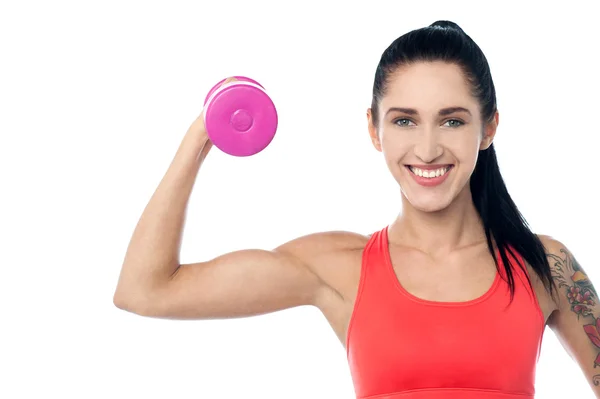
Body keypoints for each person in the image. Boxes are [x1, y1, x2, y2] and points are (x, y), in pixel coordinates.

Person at [113, 20, 600, 398]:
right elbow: (145, 290)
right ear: (374, 129)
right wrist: (206, 130)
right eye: (404, 120)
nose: (427, 149)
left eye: (451, 121)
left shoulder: (545, 265)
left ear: (488, 128)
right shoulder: (338, 267)